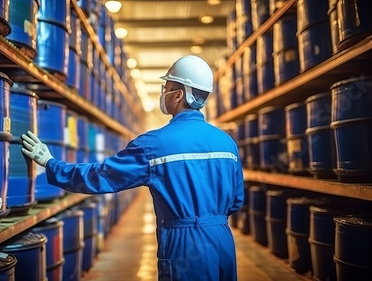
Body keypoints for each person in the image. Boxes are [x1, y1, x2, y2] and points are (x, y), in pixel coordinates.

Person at [22, 55, 244, 281]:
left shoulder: (154, 145)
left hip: (185, 244)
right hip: (222, 241)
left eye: (166, 87)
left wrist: (51, 164)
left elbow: (102, 176)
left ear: (178, 95)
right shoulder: (227, 144)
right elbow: (236, 201)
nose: (163, 92)